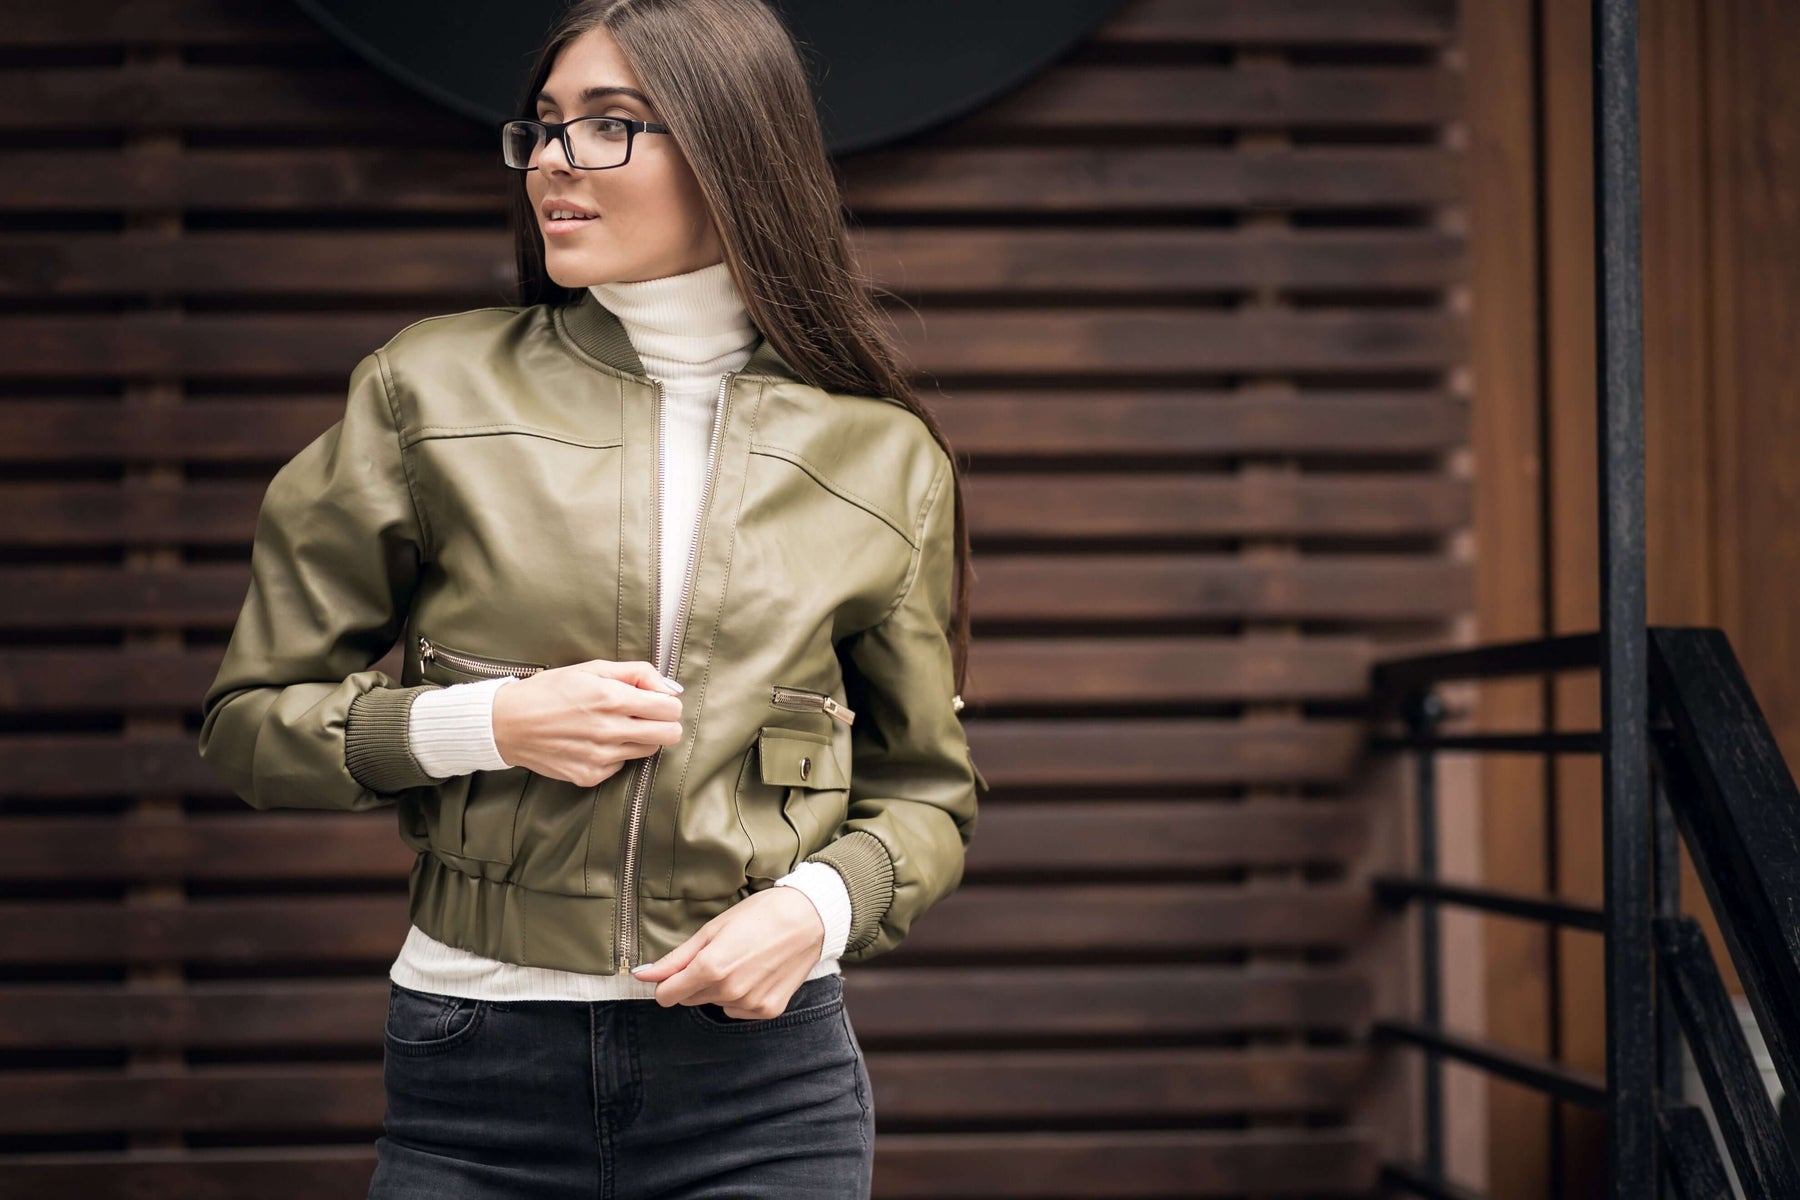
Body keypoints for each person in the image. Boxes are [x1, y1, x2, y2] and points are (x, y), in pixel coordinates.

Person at [195, 1, 985, 1196]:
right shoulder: (426, 390)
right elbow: (249, 725)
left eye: (611, 126)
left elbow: (926, 792)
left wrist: (818, 909)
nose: (556, 160)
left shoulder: (882, 459)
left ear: (731, 150)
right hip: (475, 1067)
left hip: (766, 1084)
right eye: (547, 126)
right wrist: (486, 725)